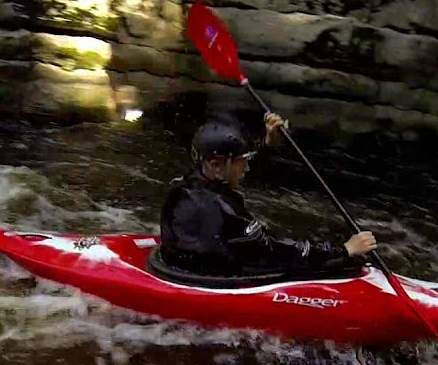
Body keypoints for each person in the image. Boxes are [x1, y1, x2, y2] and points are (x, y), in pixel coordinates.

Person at [158, 112, 378, 279]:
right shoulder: (219, 211)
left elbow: (236, 176)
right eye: (242, 163)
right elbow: (276, 251)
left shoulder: (189, 184)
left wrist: (269, 144)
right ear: (217, 165)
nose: (247, 169)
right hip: (207, 276)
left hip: (192, 261)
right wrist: (344, 250)